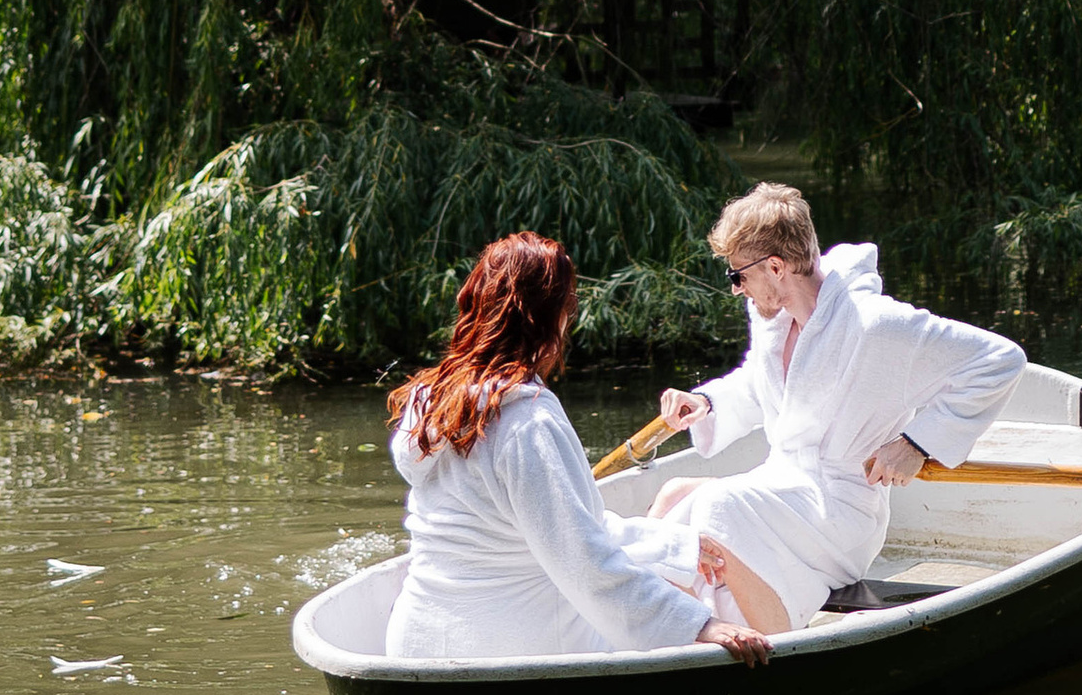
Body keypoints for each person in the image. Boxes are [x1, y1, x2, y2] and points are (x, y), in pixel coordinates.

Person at [644, 183, 1027, 633]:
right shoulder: (774, 321)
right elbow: (760, 387)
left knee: (718, 504)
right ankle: (656, 616)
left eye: (737, 277)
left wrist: (916, 442)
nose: (737, 290)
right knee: (674, 494)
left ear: (775, 266)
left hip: (840, 509)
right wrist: (706, 401)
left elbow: (1000, 361)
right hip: (783, 482)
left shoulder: (877, 326)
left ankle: (757, 638)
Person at [385, 232, 771, 667]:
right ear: (551, 319)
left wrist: (668, 543)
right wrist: (698, 626)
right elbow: (583, 561)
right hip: (507, 649)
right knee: (684, 611)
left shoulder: (430, 401)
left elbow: (553, 527)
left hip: (415, 642)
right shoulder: (528, 421)